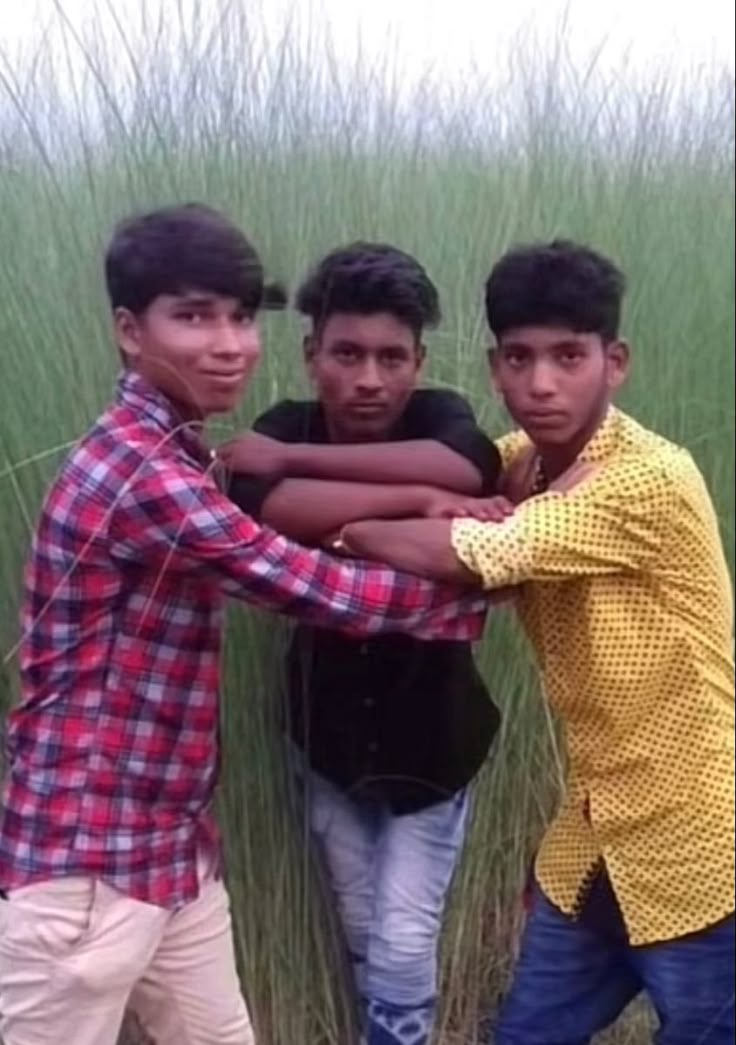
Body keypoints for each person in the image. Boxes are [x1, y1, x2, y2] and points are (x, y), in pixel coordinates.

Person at [0, 205, 489, 1045]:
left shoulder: (180, 452)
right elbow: (300, 580)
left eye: (239, 316)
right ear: (128, 330)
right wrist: (494, 573)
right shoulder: (142, 474)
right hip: (82, 860)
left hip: (167, 845)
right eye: (193, 316)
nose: (228, 342)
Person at [337, 240, 735, 1044]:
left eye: (569, 357)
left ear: (613, 362)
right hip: (593, 844)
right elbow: (456, 493)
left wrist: (351, 528)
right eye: (520, 358)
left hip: (705, 845)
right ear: (494, 366)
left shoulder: (649, 478)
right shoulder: (523, 465)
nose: (541, 384)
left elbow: (480, 550)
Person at [221, 242, 502, 1045]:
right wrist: (412, 504)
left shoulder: (432, 418)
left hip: (436, 749)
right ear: (312, 355)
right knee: (359, 926)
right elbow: (261, 503)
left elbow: (468, 464)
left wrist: (314, 486)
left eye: (391, 357)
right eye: (347, 354)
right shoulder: (281, 423)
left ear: (419, 361)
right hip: (327, 740)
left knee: (406, 939)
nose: (369, 379)